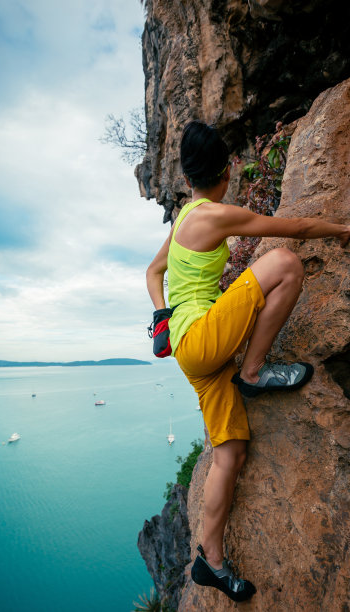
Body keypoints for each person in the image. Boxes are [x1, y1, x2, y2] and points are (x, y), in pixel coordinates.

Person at [146, 120, 350, 603]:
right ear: (227, 170)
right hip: (200, 339)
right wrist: (343, 230)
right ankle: (254, 372)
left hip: (193, 353)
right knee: (284, 263)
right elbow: (295, 230)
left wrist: (161, 315)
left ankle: (209, 563)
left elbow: (153, 272)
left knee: (230, 453)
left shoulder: (185, 220)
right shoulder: (213, 215)